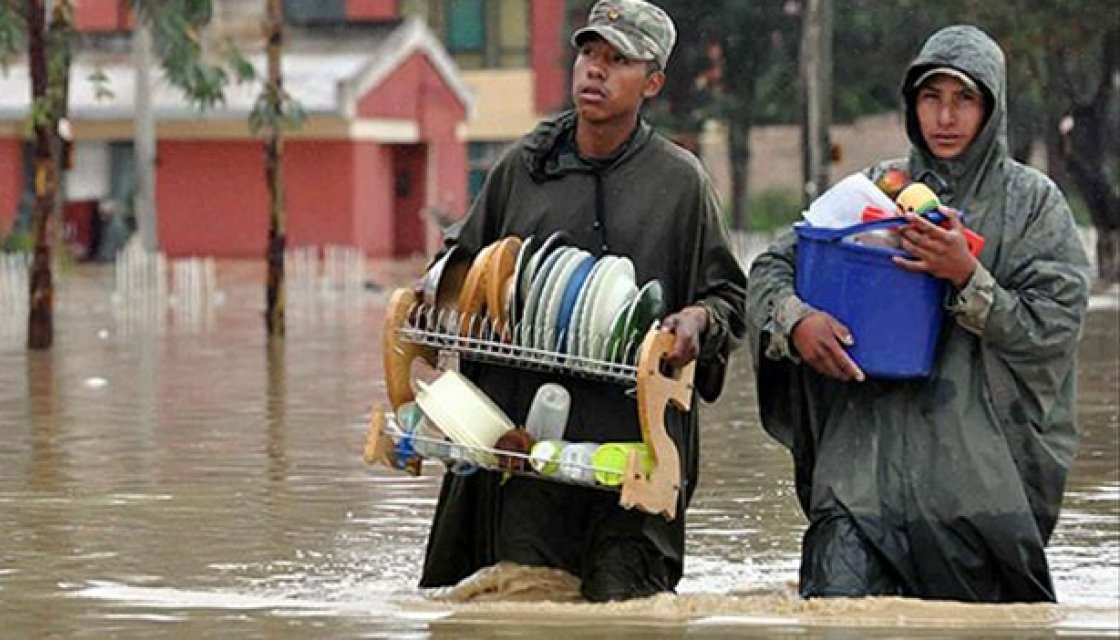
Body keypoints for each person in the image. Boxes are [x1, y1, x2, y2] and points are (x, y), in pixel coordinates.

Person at [746, 25, 1090, 602]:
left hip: (976, 501)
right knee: (834, 617)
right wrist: (796, 320)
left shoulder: (1033, 206)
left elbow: (1054, 326)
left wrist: (967, 277)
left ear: (992, 107)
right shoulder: (878, 191)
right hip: (859, 488)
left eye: (964, 99)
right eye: (932, 97)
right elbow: (772, 268)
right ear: (912, 105)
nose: (946, 116)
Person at [419, 0, 746, 602]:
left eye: (617, 60)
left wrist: (696, 321)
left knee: (623, 603)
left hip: (631, 454)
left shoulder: (680, 185)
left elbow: (728, 298)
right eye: (589, 54)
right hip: (524, 453)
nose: (594, 70)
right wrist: (435, 293)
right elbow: (458, 269)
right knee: (522, 597)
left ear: (652, 83)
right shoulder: (524, 166)